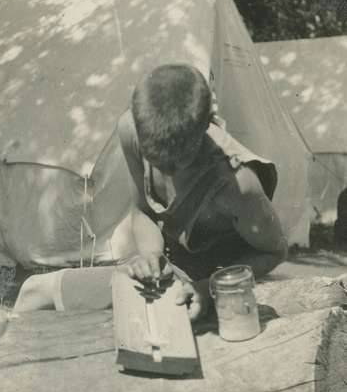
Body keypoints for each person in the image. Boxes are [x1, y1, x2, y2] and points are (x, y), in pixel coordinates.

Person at [118, 63, 288, 320]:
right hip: (173, 277)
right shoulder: (130, 129)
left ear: (206, 127)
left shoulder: (235, 182)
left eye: (178, 161)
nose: (167, 170)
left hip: (220, 282)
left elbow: (274, 251)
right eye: (156, 160)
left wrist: (209, 289)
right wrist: (151, 255)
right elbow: (143, 210)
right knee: (37, 291)